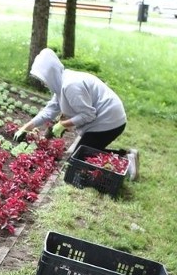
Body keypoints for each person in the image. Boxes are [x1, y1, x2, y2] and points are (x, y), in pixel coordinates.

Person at [14, 48, 138, 180]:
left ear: (50, 73)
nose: (43, 83)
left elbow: (89, 115)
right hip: (106, 120)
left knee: (78, 160)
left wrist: (63, 124)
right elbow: (49, 111)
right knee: (79, 157)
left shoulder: (70, 86)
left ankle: (126, 159)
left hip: (109, 122)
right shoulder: (61, 84)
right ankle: (126, 156)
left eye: (43, 78)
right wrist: (26, 127)